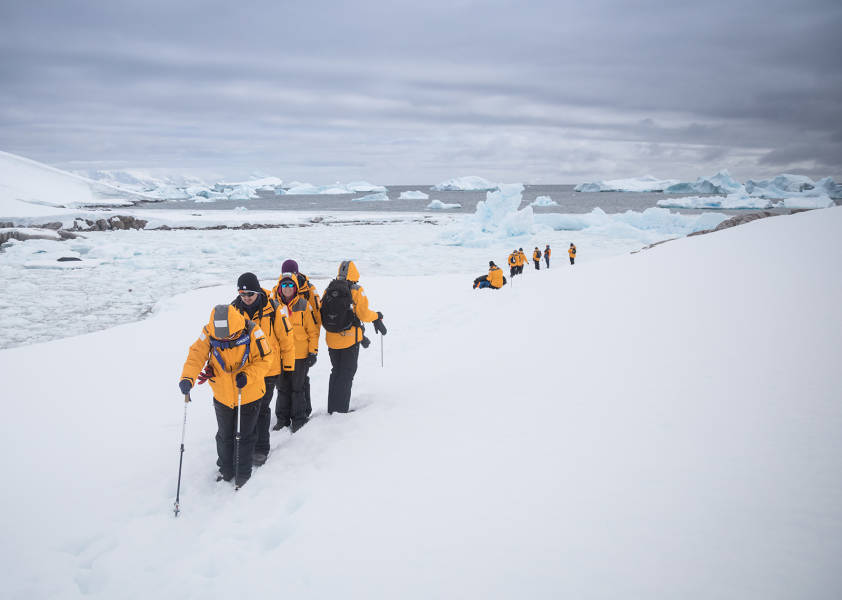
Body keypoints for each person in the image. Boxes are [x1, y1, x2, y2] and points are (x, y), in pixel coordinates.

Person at [179, 304, 273, 488]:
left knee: (244, 436)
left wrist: (247, 375)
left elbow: (265, 360)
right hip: (222, 395)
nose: (225, 339)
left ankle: (242, 474)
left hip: (249, 394)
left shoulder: (253, 332)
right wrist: (187, 378)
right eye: (221, 337)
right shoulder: (209, 332)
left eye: (230, 336)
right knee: (224, 436)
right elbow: (196, 355)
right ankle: (226, 470)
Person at [230, 272, 295, 466]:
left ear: (257, 290)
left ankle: (261, 448)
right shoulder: (233, 310)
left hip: (269, 369)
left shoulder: (274, 308)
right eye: (243, 294)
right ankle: (243, 446)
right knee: (246, 409)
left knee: (262, 408)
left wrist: (289, 366)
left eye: (250, 293)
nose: (247, 298)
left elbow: (286, 339)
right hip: (245, 369)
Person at [321, 260, 385, 414]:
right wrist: (377, 316)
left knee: (336, 372)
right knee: (347, 373)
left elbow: (321, 312)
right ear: (355, 272)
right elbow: (363, 314)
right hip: (349, 340)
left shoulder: (328, 288)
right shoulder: (356, 289)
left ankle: (332, 409)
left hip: (331, 339)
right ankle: (340, 411)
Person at [271, 270, 320, 433]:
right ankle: (282, 420)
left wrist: (313, 352)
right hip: (281, 356)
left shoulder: (304, 305)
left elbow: (313, 331)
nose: (287, 288)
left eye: (290, 284)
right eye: (284, 284)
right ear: (279, 287)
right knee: (282, 388)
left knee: (297, 388)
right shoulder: (273, 306)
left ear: (295, 287)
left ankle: (299, 419)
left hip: (300, 355)